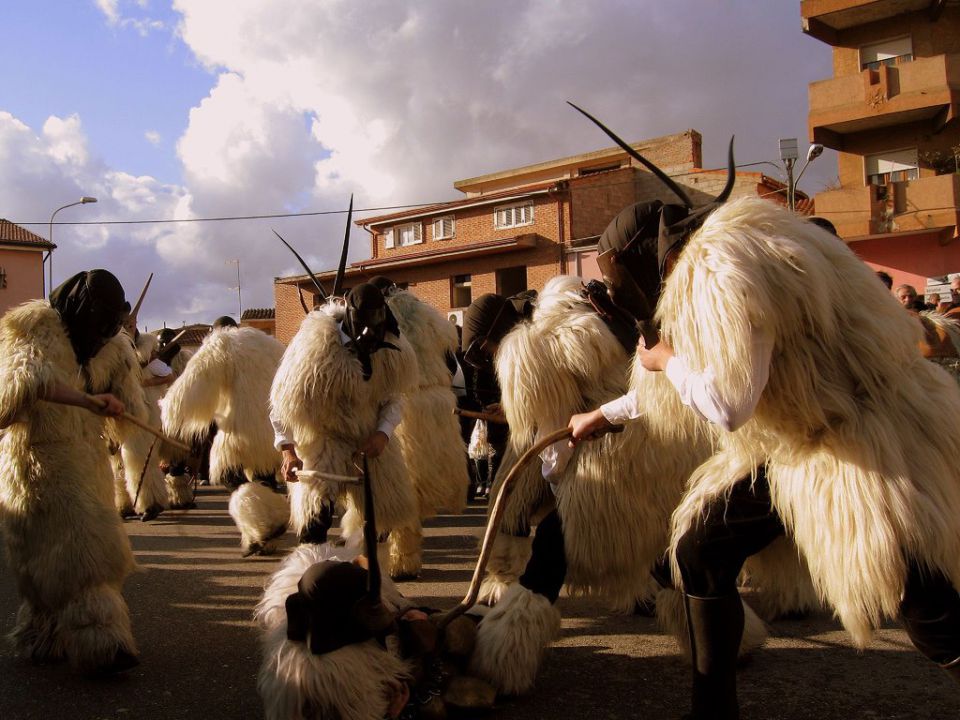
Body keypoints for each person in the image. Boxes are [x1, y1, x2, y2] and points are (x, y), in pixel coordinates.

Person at [570, 197, 960, 719]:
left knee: (922, 595)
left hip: (867, 441)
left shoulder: (724, 265)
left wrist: (665, 358)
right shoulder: (718, 263)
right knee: (702, 549)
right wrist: (604, 414)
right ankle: (713, 710)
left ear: (644, 258)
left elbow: (728, 404)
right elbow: (689, 382)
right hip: (799, 441)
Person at [0, 269, 148, 674]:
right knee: (80, 552)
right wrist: (87, 400)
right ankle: (100, 639)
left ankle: (43, 634)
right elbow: (23, 387)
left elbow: (128, 408)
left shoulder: (111, 345)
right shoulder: (32, 330)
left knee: (67, 550)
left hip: (88, 460)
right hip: (37, 460)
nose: (102, 331)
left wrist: (126, 401)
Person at [270, 284, 418, 552]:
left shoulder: (392, 347)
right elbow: (282, 404)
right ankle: (311, 577)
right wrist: (288, 451)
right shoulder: (313, 348)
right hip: (323, 437)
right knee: (314, 518)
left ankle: (370, 579)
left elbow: (393, 398)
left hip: (369, 439)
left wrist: (383, 434)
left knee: (380, 518)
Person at [161, 315, 288, 557]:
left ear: (214, 331)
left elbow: (192, 385)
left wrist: (167, 406)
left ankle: (269, 523)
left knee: (230, 474)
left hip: (240, 429)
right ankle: (264, 536)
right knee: (263, 477)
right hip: (273, 427)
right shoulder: (269, 344)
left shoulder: (220, 345)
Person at [369, 277, 470, 579]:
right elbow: (451, 359)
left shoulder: (380, 316)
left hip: (404, 403)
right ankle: (406, 558)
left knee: (393, 483)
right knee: (416, 486)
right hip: (437, 403)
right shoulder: (430, 316)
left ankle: (389, 559)